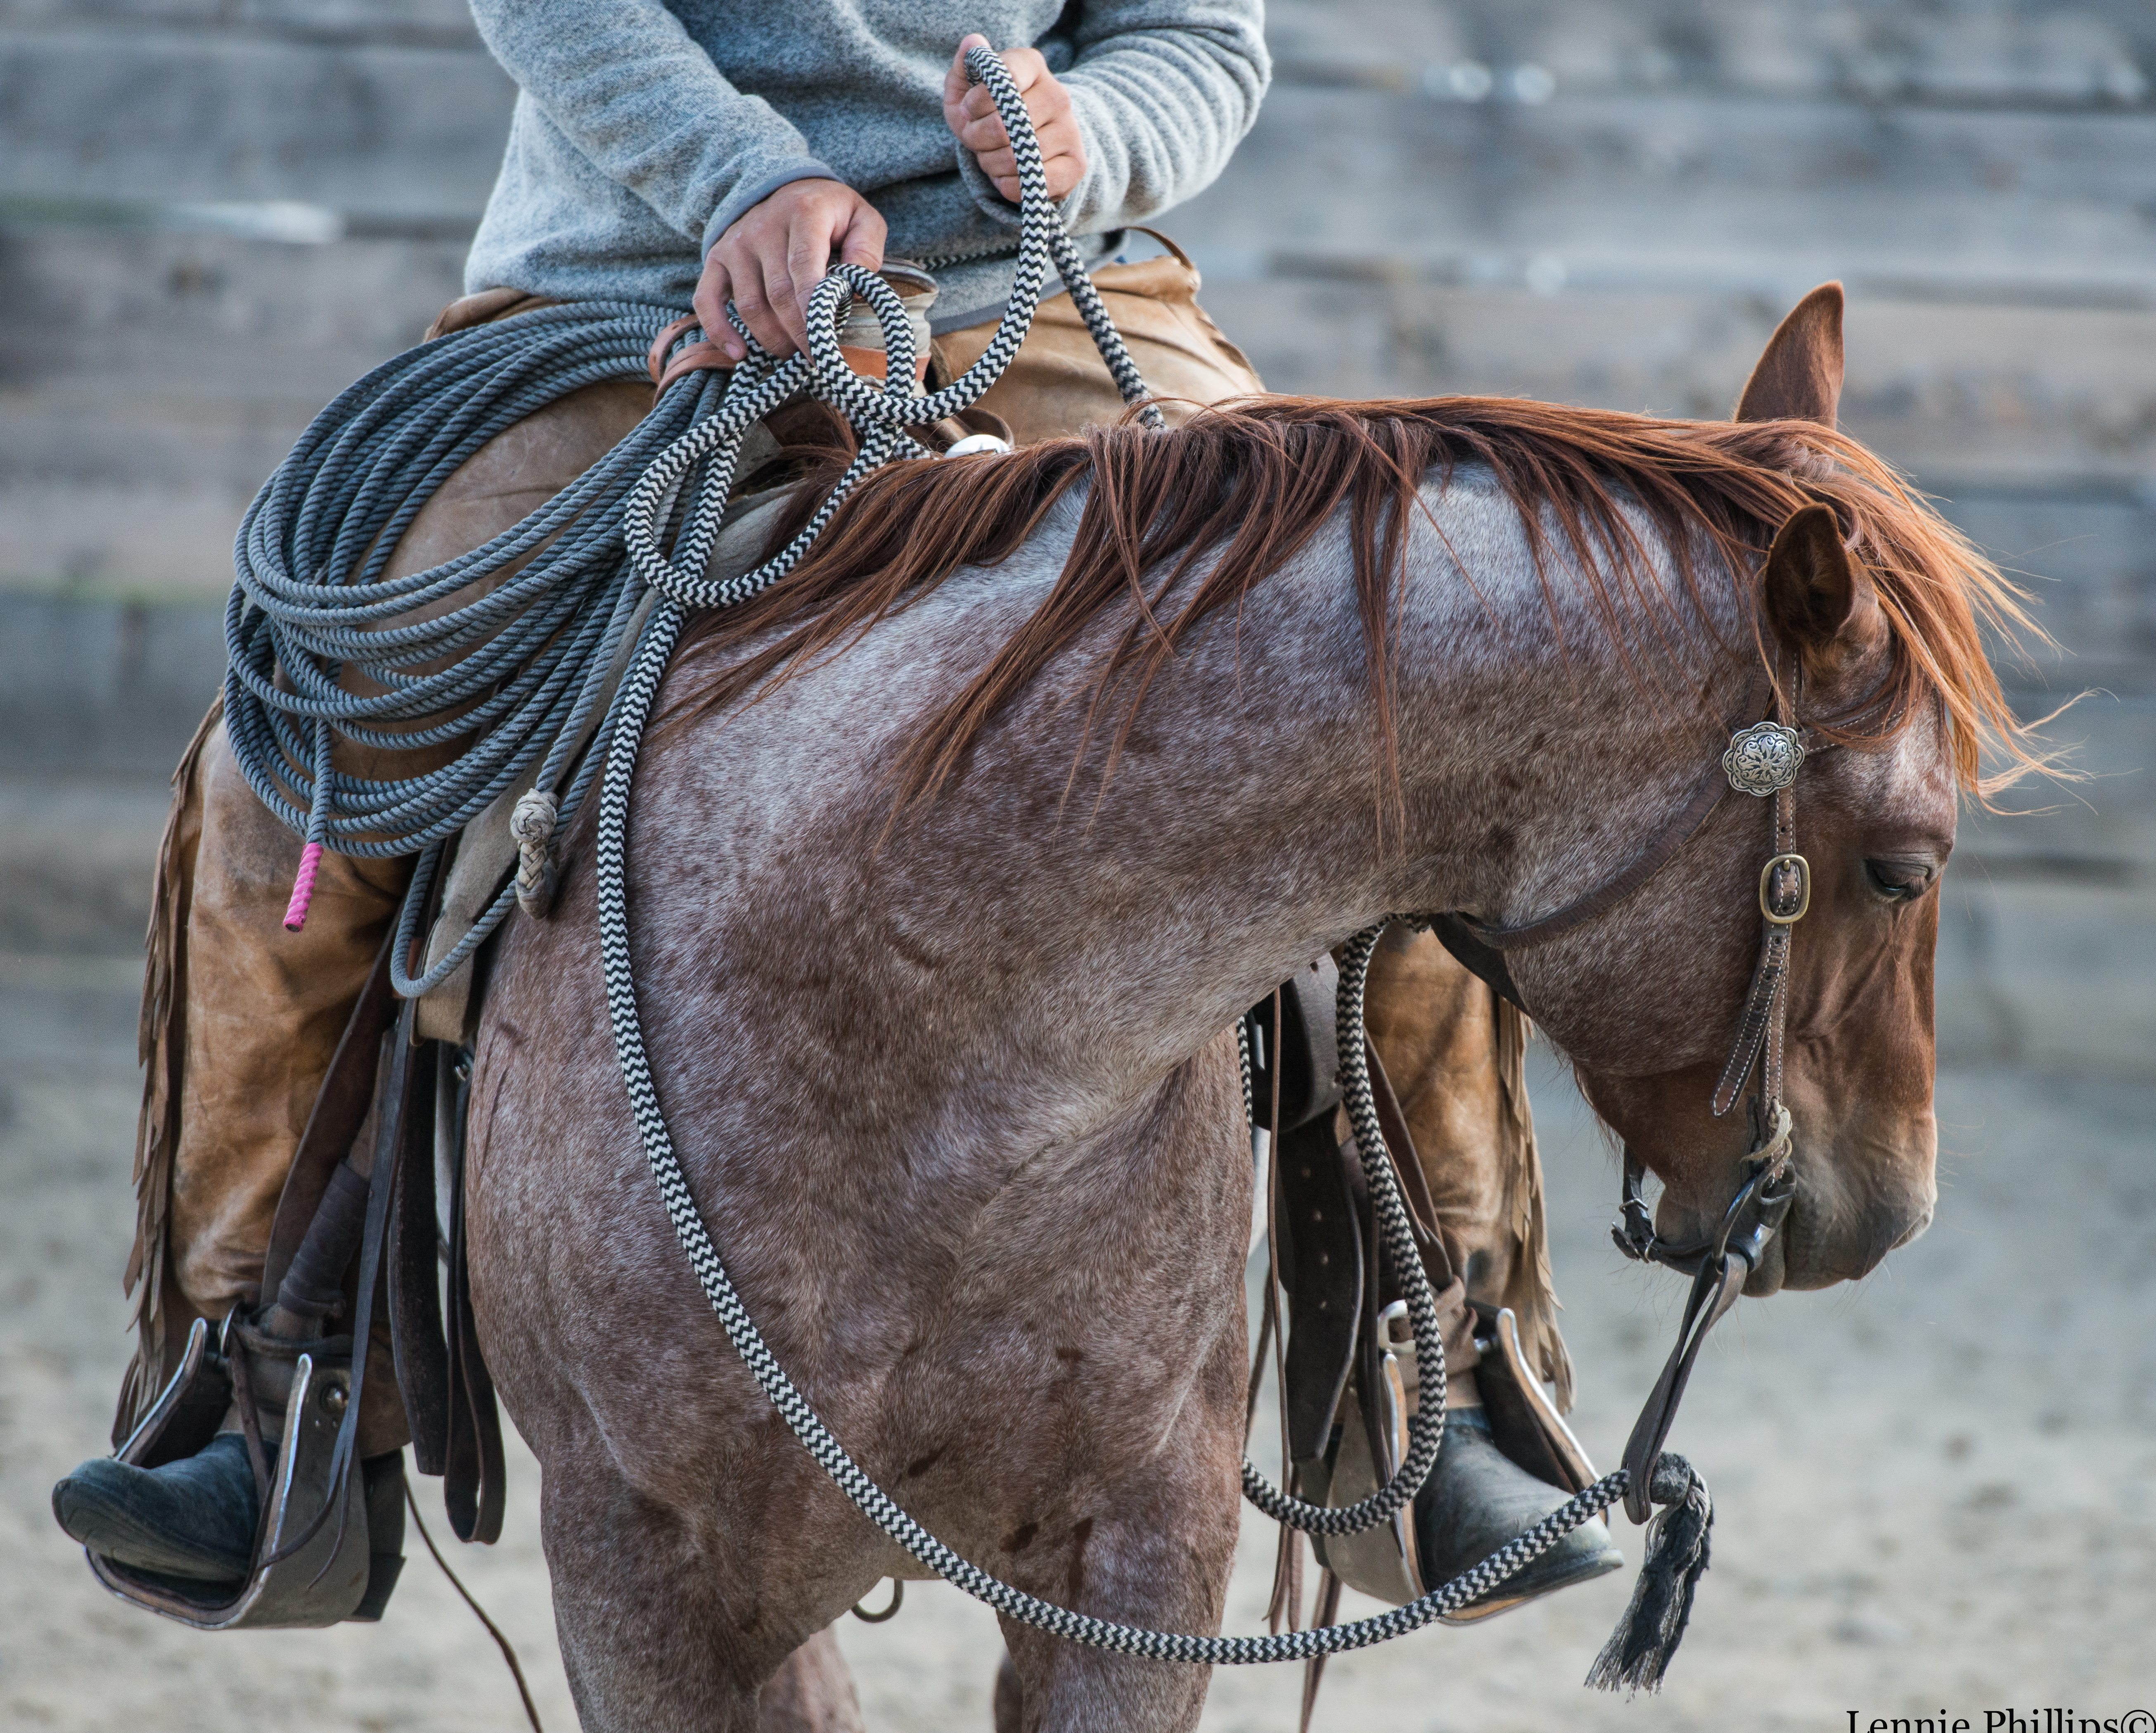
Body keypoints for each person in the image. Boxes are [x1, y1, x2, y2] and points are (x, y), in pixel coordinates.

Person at [54, 0, 1613, 1616]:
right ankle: (270, 1381)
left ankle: (1433, 1360)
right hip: (635, 277)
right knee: (297, 755)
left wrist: (1093, 135)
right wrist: (740, 177)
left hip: (1043, 294)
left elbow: (1195, 37)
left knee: (1372, 692)